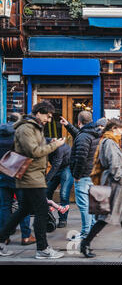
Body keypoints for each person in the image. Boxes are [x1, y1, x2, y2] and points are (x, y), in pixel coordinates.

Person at [0, 102, 65, 259]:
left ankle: (1, 241)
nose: (49, 120)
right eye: (47, 116)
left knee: (22, 211)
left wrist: (48, 143)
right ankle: (42, 249)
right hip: (30, 177)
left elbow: (35, 149)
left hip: (35, 176)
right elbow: (34, 151)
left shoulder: (35, 127)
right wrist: (54, 145)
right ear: (38, 113)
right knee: (42, 212)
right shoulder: (26, 128)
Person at [80, 119, 122, 258]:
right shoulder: (109, 142)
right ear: (114, 128)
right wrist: (121, 177)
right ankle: (85, 243)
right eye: (121, 129)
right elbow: (114, 164)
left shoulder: (110, 140)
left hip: (117, 183)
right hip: (115, 183)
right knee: (106, 215)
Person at [0, 113, 35, 246]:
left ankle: (5, 236)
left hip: (2, 175)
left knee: (4, 207)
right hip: (18, 175)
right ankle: (26, 236)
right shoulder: (20, 134)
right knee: (23, 206)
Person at [66, 111, 101, 240]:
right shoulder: (95, 134)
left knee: (84, 206)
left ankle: (86, 233)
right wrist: (68, 126)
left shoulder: (83, 136)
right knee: (90, 205)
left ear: (79, 122)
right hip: (93, 174)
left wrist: (76, 175)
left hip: (83, 176)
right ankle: (92, 230)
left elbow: (81, 157)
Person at [45, 138, 73, 228]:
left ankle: (63, 219)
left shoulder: (59, 148)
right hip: (56, 167)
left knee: (64, 193)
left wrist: (46, 179)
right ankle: (48, 217)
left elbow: (56, 164)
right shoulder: (46, 146)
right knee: (46, 191)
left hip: (67, 167)